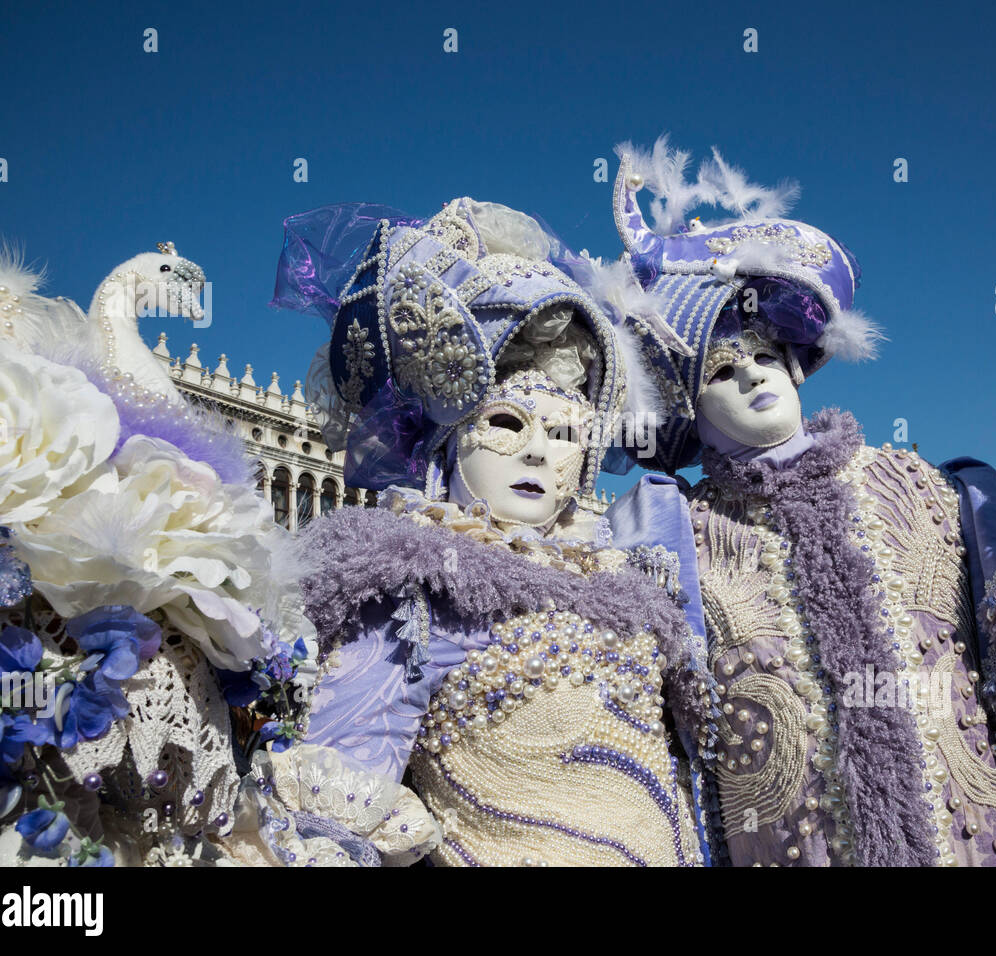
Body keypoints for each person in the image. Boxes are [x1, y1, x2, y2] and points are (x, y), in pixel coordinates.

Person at [603, 143, 996, 866]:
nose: (754, 374)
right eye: (723, 369)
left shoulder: (924, 488)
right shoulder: (674, 534)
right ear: (687, 411)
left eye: (763, 352)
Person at [261, 198, 711, 866]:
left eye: (562, 435)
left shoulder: (635, 594)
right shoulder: (416, 589)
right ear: (447, 445)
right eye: (506, 423)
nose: (536, 454)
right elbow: (338, 809)